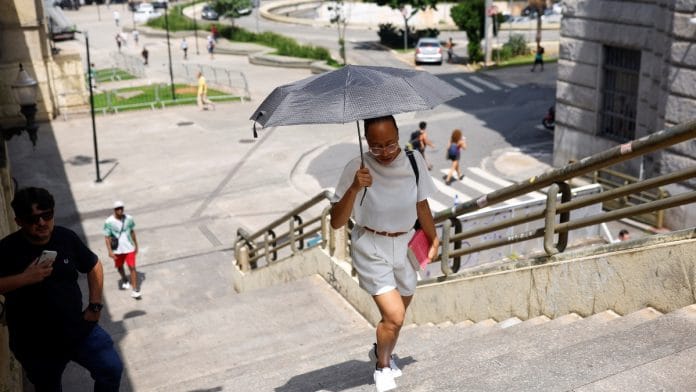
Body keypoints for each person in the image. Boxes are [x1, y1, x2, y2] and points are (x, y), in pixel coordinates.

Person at [330, 115, 439, 392]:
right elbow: (336, 222)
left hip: (404, 246)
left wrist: (433, 237)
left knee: (399, 313)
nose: (385, 152)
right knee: (395, 317)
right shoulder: (356, 168)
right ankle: (382, 365)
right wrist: (355, 187)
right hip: (372, 247)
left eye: (390, 144)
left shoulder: (413, 161)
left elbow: (422, 205)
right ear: (366, 141)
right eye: (377, 146)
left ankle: (381, 351)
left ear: (398, 136)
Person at [0, 187, 123, 391]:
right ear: (19, 221)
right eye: (32, 219)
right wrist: (24, 278)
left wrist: (94, 306)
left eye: (46, 215)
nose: (41, 223)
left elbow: (94, 265)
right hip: (34, 344)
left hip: (77, 328)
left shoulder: (66, 238)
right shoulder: (7, 249)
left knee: (111, 368)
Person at [104, 201, 141, 299]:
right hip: (117, 250)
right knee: (120, 267)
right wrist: (110, 251)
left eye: (121, 208)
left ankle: (135, 289)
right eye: (117, 208)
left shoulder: (129, 218)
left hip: (129, 248)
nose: (120, 210)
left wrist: (136, 245)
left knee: (132, 267)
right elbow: (107, 237)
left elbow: (132, 231)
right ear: (114, 210)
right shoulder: (109, 222)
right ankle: (124, 279)